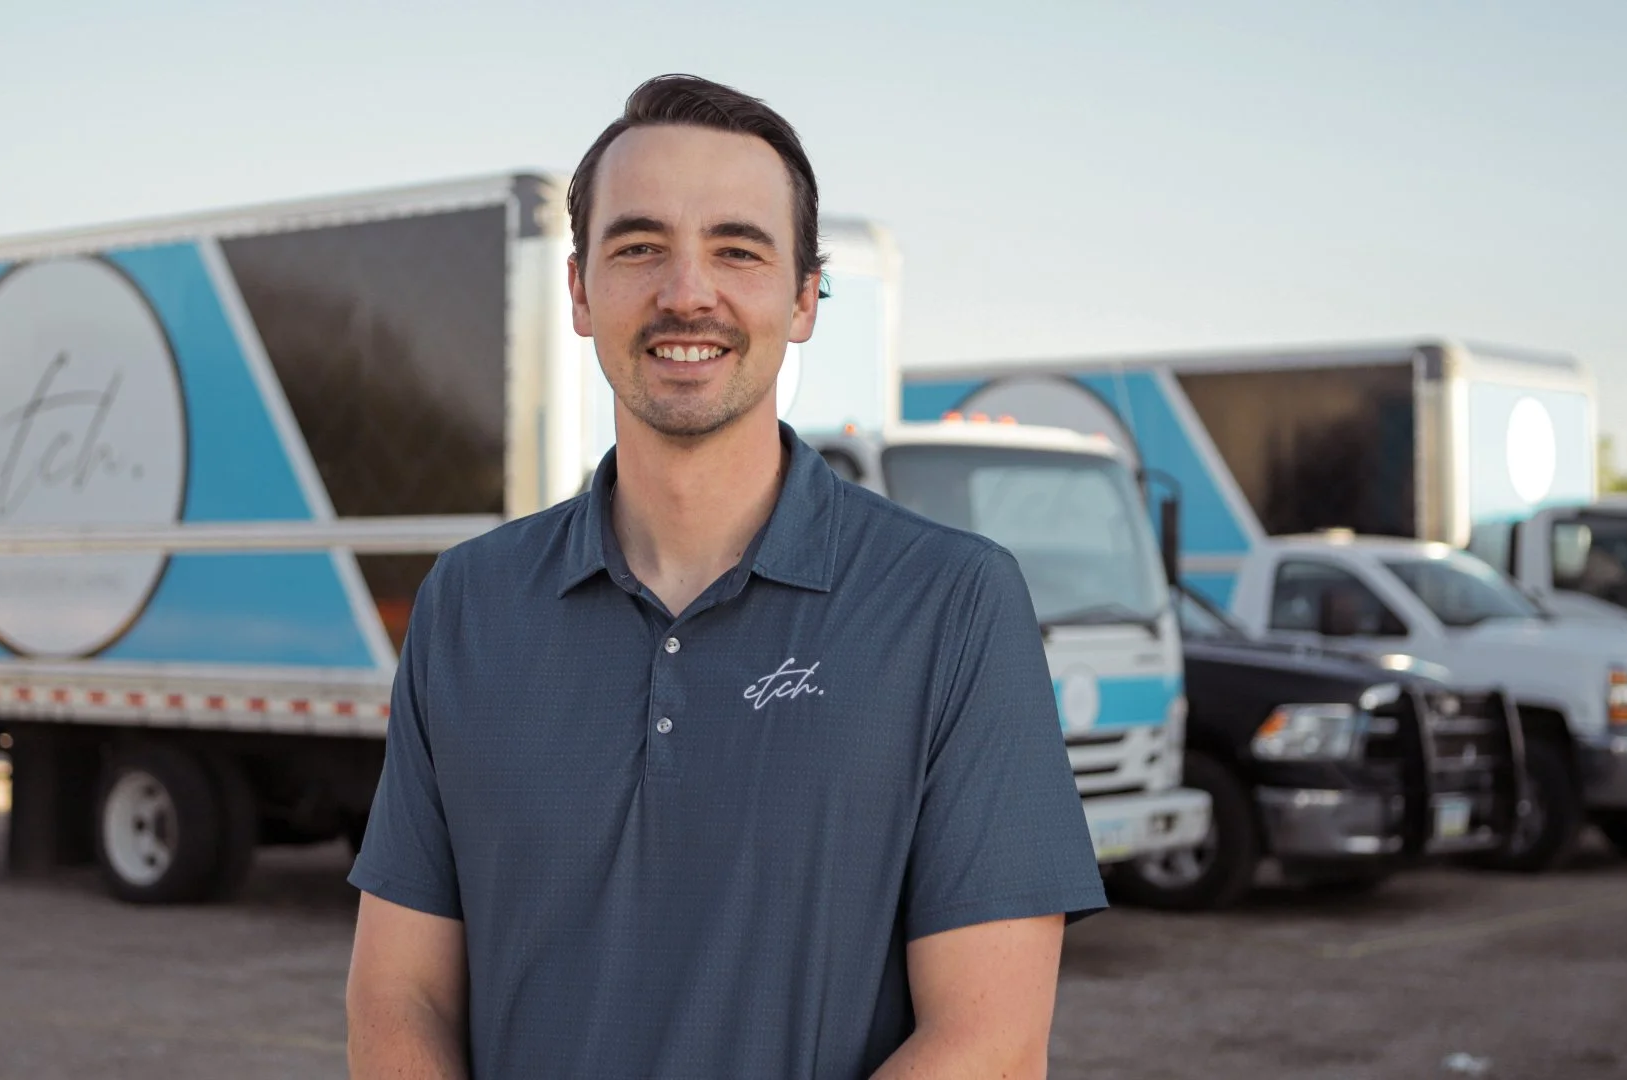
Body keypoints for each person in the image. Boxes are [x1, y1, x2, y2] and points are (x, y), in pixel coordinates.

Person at [344, 73, 1105, 1079]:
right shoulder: (468, 604)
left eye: (737, 250)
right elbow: (400, 997)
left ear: (803, 299)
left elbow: (991, 1046)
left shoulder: (951, 605)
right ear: (579, 290)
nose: (686, 292)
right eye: (639, 247)